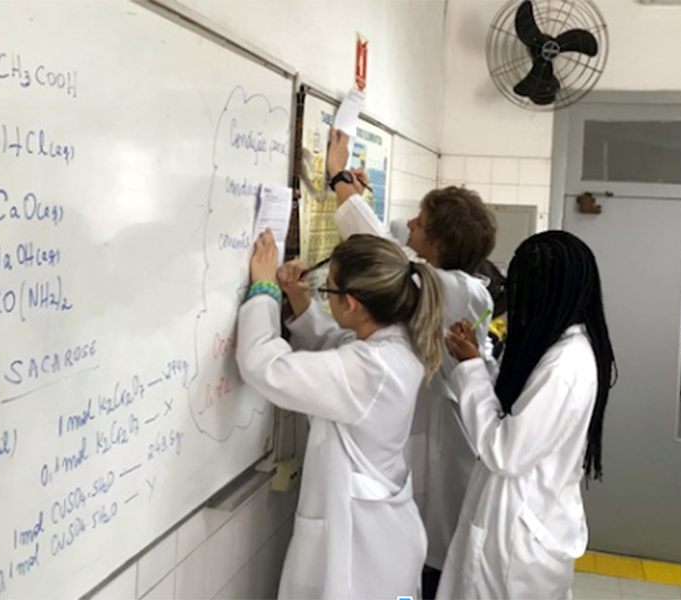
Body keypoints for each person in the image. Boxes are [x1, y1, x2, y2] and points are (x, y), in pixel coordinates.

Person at [325, 128, 499, 591]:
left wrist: (339, 178)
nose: (409, 225)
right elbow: (393, 255)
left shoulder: (459, 291)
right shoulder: (454, 288)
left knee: (426, 574)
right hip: (425, 464)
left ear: (438, 246)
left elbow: (385, 259)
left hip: (439, 469)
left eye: (419, 223)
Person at [236, 230, 444, 599]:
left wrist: (264, 290)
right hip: (385, 546)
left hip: (362, 559)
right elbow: (334, 345)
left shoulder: (372, 368)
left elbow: (262, 366)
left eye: (326, 289)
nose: (324, 295)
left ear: (351, 303)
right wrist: (300, 299)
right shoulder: (395, 340)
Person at [437, 230, 616, 599]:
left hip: (517, 540)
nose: (515, 300)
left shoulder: (566, 365)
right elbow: (513, 408)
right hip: (517, 523)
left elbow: (507, 452)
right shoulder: (556, 345)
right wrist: (476, 360)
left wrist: (471, 369)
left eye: (521, 288)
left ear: (544, 292)